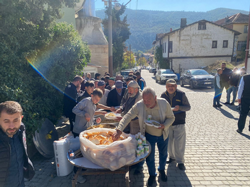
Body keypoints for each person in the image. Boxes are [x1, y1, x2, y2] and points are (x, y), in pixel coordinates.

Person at [113, 88, 175, 186]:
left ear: (155, 98)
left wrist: (164, 125)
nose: (146, 103)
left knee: (163, 154)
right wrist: (119, 129)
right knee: (149, 157)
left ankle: (162, 170)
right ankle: (152, 175)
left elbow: (171, 117)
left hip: (163, 134)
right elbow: (128, 116)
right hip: (149, 135)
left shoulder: (163, 103)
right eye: (144, 100)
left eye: (148, 100)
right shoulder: (139, 105)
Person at [0, 101, 35, 187]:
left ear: (21, 118)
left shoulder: (20, 131)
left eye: (16, 120)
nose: (11, 126)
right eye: (6, 121)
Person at [161, 79, 191, 170]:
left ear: (176, 86)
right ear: (166, 86)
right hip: (168, 123)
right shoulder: (163, 95)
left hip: (179, 122)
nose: (171, 87)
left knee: (179, 144)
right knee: (169, 142)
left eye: (173, 86)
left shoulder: (181, 94)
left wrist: (180, 108)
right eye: (169, 86)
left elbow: (188, 107)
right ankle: (172, 157)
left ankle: (180, 161)